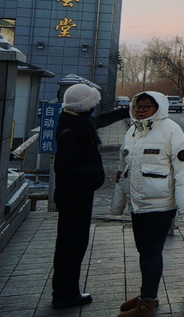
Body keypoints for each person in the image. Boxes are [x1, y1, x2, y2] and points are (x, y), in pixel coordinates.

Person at [110, 91, 184, 317]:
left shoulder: (171, 130)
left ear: (159, 108)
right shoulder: (133, 131)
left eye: (147, 106)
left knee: (151, 252)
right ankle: (146, 294)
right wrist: (118, 204)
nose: (141, 110)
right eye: (139, 106)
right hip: (138, 205)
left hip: (161, 205)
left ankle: (147, 304)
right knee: (144, 251)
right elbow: (123, 170)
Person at [52, 83, 130, 310]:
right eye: (92, 104)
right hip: (73, 197)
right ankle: (65, 295)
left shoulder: (75, 122)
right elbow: (64, 168)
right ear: (84, 106)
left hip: (77, 195)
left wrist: (125, 111)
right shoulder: (70, 131)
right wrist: (93, 173)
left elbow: (100, 121)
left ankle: (68, 291)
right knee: (71, 246)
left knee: (73, 245)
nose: (94, 109)